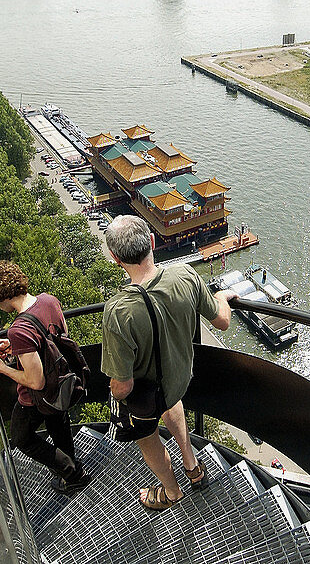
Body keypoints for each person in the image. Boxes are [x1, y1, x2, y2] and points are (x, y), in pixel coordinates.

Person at [101, 215, 232, 511]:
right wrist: (222, 297)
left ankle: (171, 492)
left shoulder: (118, 311)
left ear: (114, 257)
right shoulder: (185, 275)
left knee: (148, 440)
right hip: (180, 380)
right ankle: (192, 465)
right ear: (152, 241)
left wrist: (113, 393)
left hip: (148, 397)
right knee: (173, 405)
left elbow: (123, 385)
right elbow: (221, 321)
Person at [0, 261, 91, 494]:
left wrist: (1, 368)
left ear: (1, 295)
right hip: (62, 383)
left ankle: (72, 473)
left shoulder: (19, 329)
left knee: (22, 439)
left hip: (36, 398)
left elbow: (35, 382)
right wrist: (16, 347)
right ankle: (72, 470)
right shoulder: (48, 300)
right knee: (59, 424)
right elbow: (54, 337)